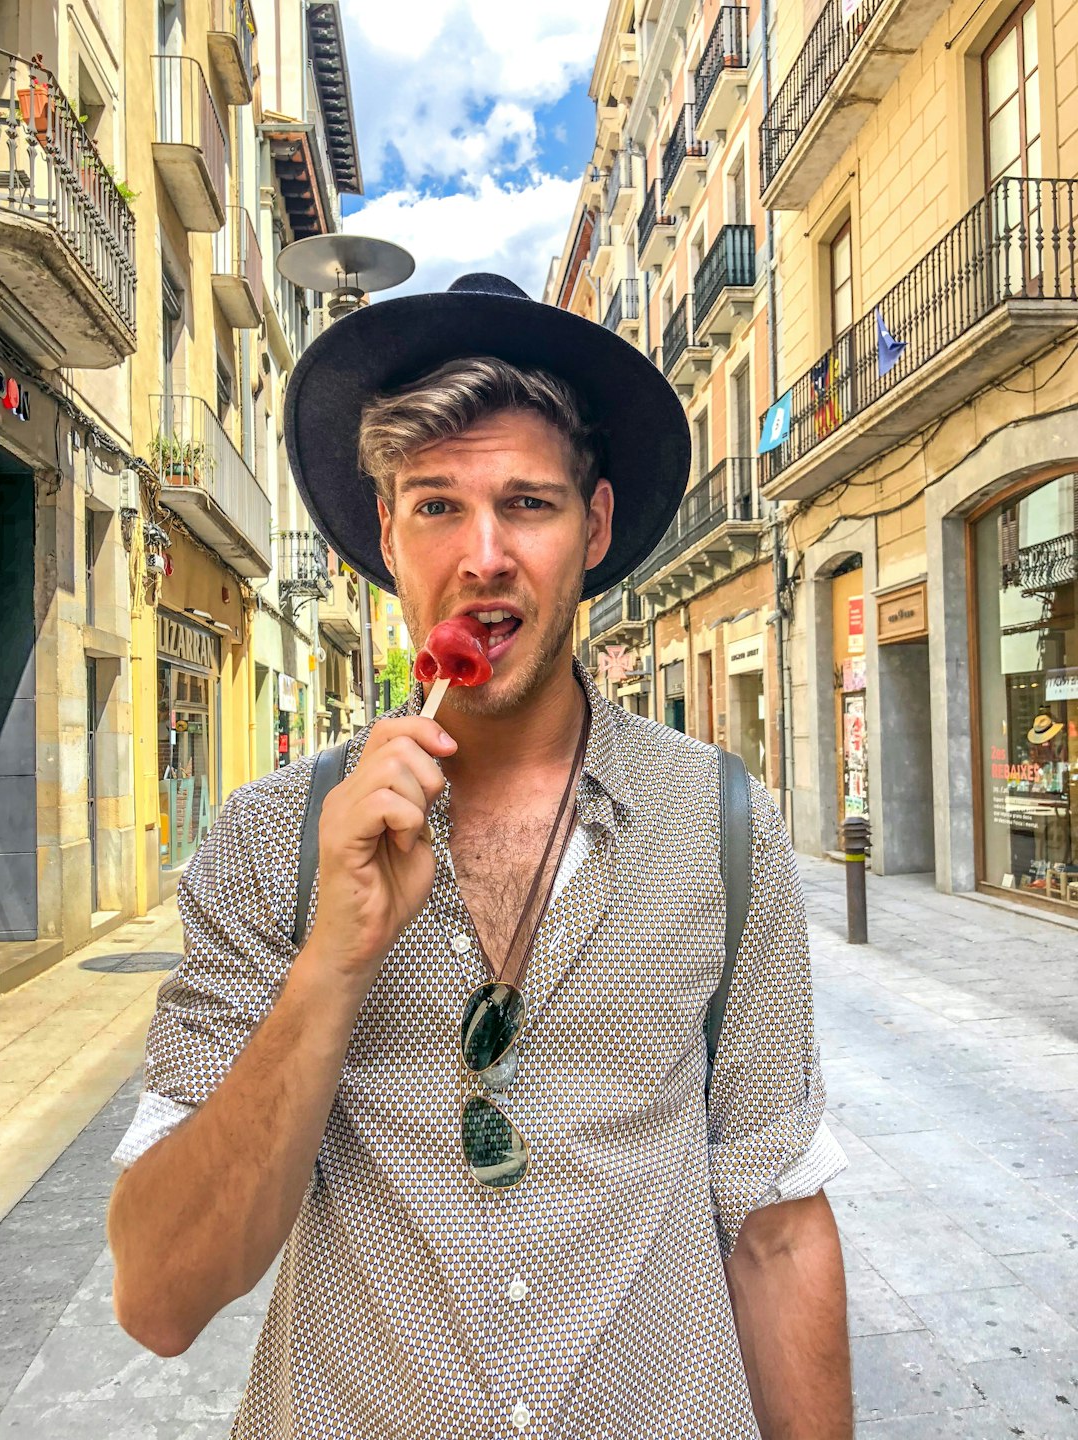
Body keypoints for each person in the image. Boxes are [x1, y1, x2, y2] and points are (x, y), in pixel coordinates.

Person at [108, 274, 853, 1439]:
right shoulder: (267, 843)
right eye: (437, 507)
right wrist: (333, 962)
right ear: (385, 537)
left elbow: (778, 1222)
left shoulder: (722, 825)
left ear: (595, 528)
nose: (486, 555)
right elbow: (159, 1294)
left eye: (529, 504)